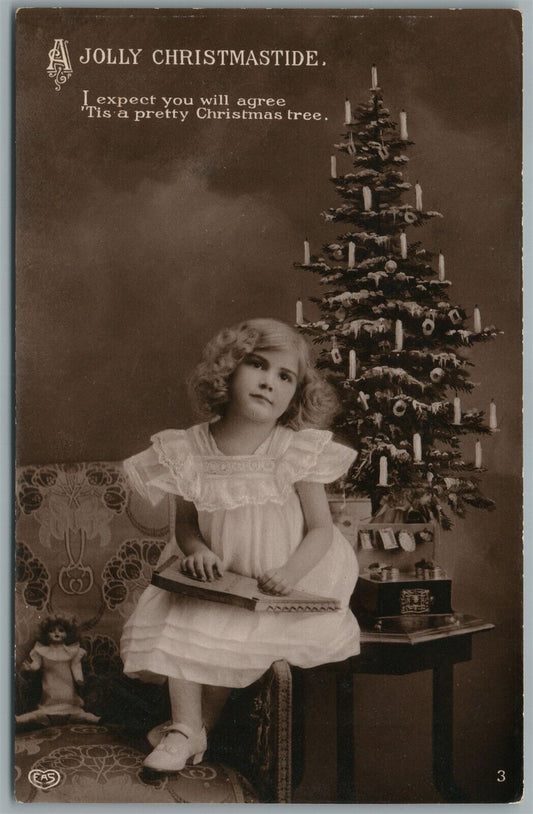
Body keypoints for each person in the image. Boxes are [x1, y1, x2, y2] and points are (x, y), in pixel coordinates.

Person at [120, 318, 360, 773]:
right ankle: (186, 730)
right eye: (258, 366)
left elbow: (322, 529)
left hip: (283, 582)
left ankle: (190, 730)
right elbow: (186, 525)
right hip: (219, 576)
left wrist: (290, 574)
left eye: (284, 377)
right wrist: (195, 551)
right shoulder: (189, 448)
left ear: (296, 394)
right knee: (183, 623)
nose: (269, 382)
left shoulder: (293, 450)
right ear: (228, 370)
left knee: (228, 643)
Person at [15, 615, 100, 726]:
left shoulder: (72, 651)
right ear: (46, 633)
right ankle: (21, 719)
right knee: (46, 706)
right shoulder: (42, 650)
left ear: (68, 633)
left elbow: (75, 665)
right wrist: (30, 668)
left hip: (66, 685)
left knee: (72, 705)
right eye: (51, 631)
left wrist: (79, 678)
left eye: (61, 630)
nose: (56, 633)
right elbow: (37, 664)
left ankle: (93, 718)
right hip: (50, 684)